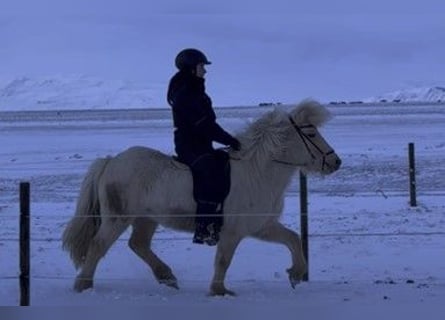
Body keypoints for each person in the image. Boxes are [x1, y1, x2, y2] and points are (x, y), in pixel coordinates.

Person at [167, 48, 241, 246]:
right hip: (189, 146)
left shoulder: (197, 91)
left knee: (225, 162)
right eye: (202, 66)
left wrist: (229, 140)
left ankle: (221, 217)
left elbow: (208, 124)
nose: (205, 71)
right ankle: (204, 227)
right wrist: (230, 140)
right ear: (191, 69)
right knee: (210, 171)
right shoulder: (185, 95)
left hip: (202, 144)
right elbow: (203, 125)